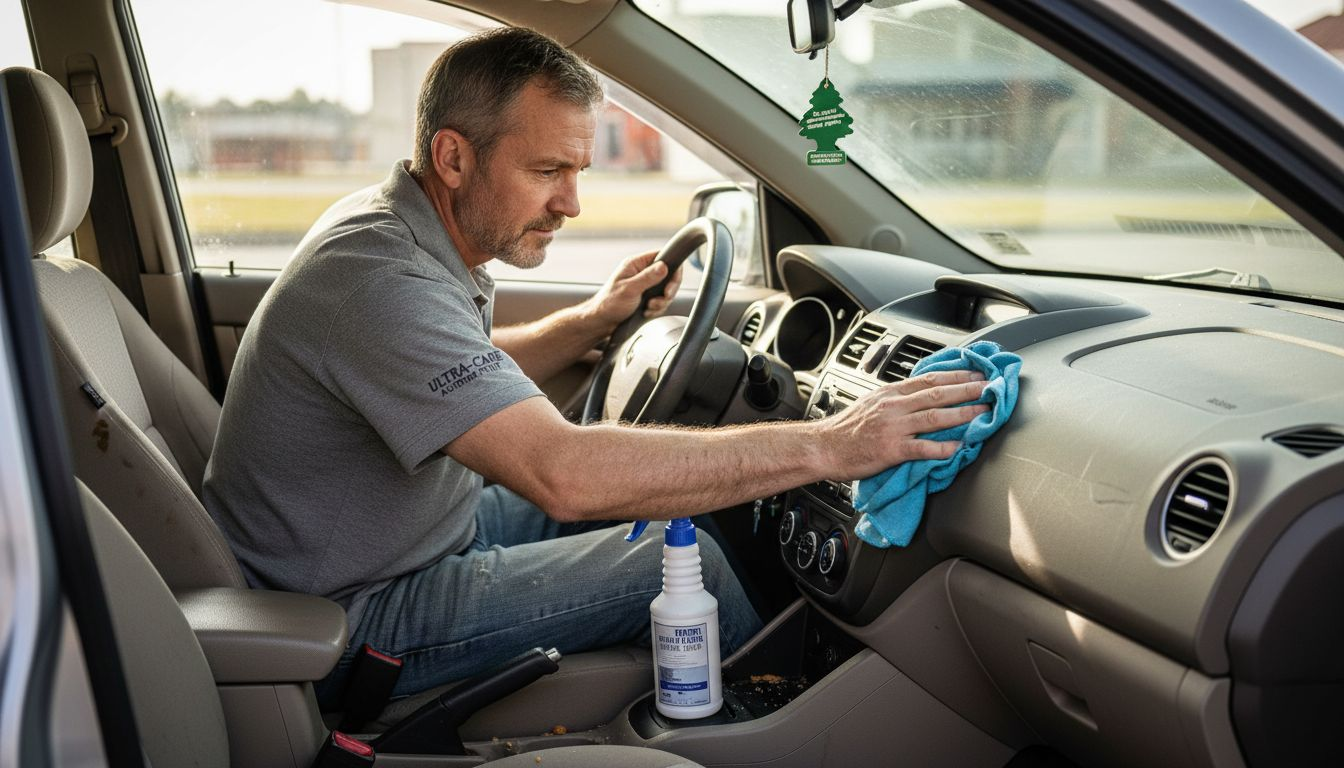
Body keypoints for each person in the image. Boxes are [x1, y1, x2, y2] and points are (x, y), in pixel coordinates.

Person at [203, 27, 988, 704]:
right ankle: (782, 727)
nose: (572, 203)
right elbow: (565, 476)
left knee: (672, 508)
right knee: (680, 566)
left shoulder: (401, 231)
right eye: (549, 171)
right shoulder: (380, 280)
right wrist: (833, 444)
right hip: (351, 613)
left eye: (579, 171)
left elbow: (463, 371)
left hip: (411, 535)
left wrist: (594, 321)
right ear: (452, 157)